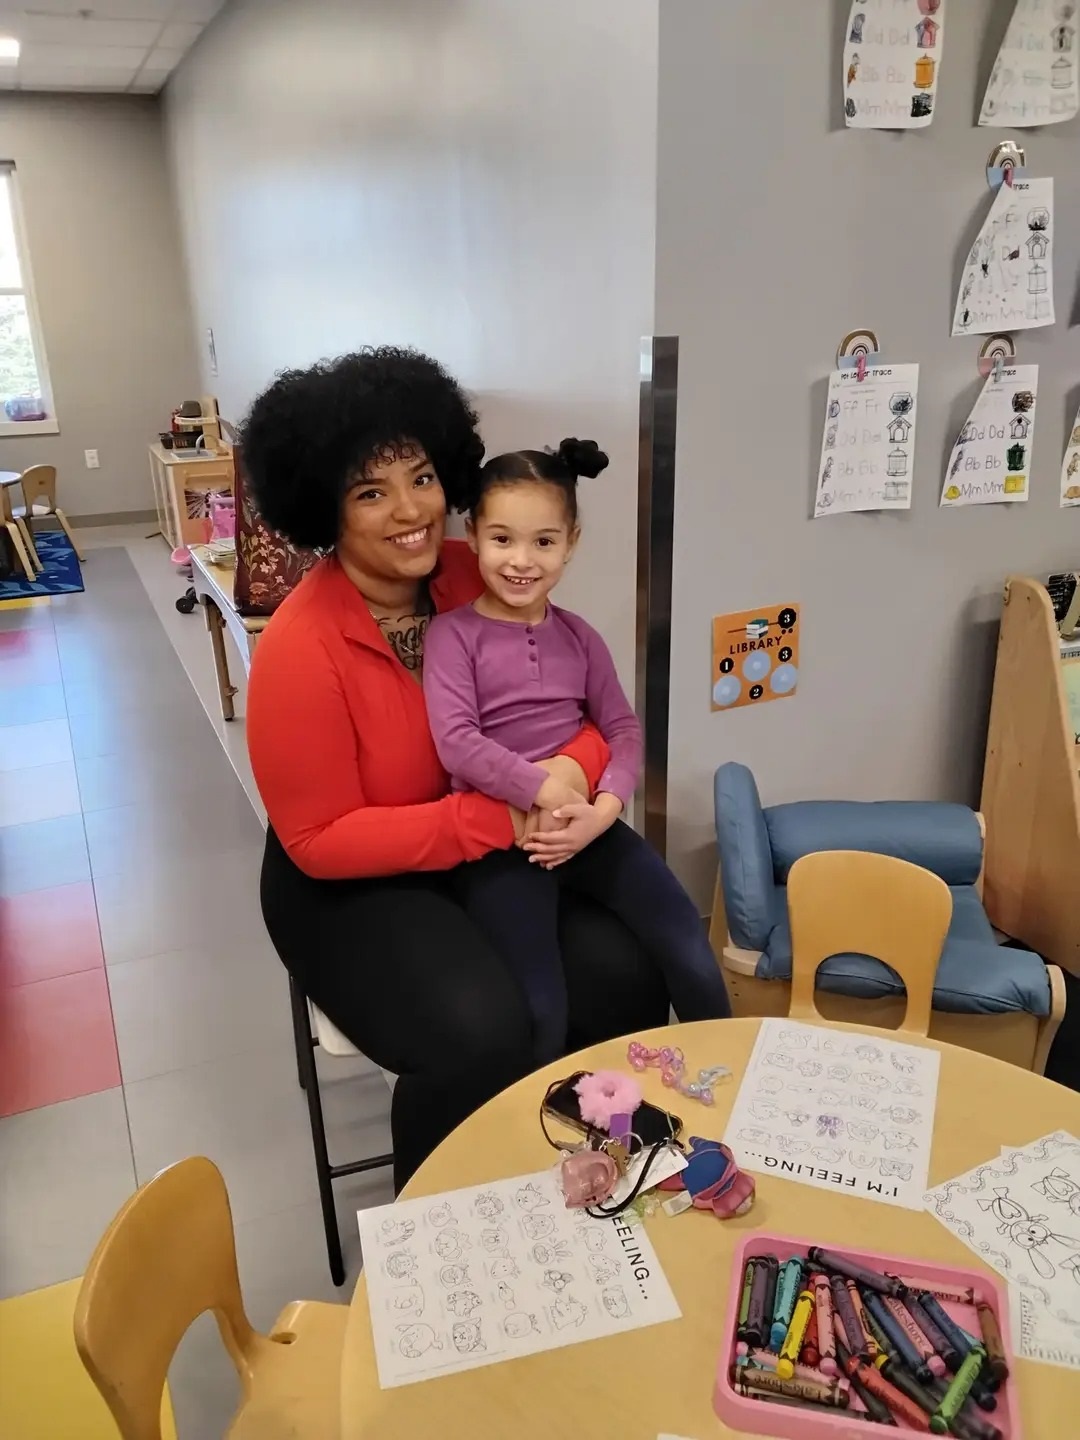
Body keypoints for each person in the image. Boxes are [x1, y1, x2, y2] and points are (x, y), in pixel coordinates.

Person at [242, 347, 669, 1190]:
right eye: (370, 492)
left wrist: (581, 779)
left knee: (626, 970)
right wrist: (507, 817)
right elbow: (322, 838)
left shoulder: (476, 573)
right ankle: (437, 1233)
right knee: (477, 1025)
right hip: (353, 878)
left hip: (492, 841)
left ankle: (590, 1164)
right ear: (325, 510)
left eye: (422, 476)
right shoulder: (300, 648)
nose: (411, 511)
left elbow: (585, 713)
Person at [423, 438, 731, 1062]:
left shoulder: (580, 637)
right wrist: (545, 791)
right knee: (541, 1003)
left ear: (572, 542)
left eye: (544, 541)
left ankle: (726, 1089)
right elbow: (458, 743)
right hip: (506, 846)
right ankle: (549, 1131)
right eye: (502, 538)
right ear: (473, 534)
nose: (521, 561)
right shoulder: (453, 636)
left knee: (689, 950)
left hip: (590, 828)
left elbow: (623, 729)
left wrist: (604, 810)